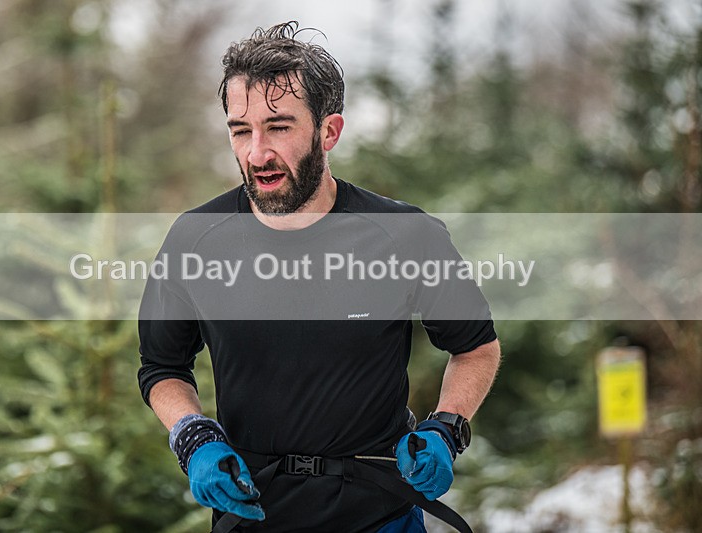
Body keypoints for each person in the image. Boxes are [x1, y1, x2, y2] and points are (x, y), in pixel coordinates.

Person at [138, 21, 501, 533]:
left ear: (328, 131)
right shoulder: (197, 238)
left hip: (380, 517)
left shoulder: (403, 234)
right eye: (241, 130)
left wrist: (447, 426)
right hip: (252, 518)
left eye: (279, 127)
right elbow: (160, 364)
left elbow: (475, 347)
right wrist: (193, 435)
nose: (257, 153)